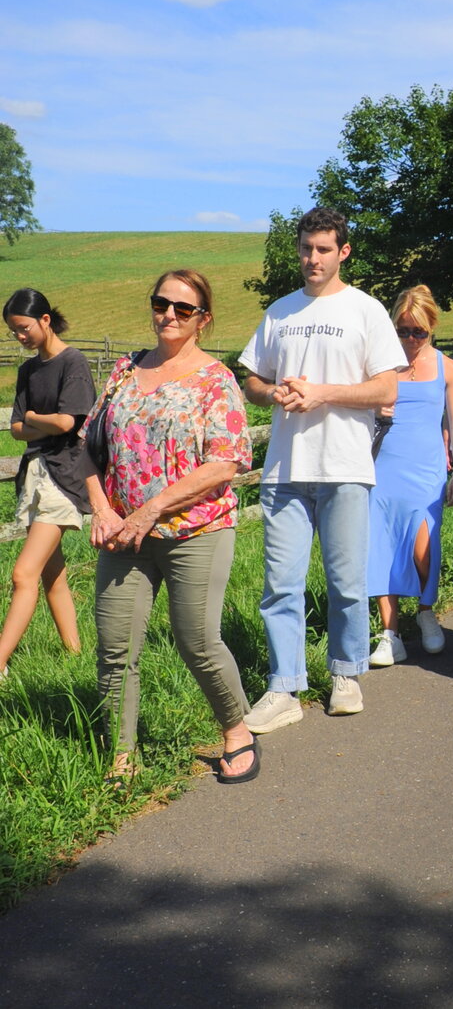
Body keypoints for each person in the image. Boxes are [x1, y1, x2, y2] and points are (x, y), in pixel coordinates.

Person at [82, 271, 257, 783]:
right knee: (114, 649)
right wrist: (102, 509)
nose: (170, 315)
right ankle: (121, 757)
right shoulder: (123, 370)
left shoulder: (215, 380)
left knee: (197, 641)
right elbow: (90, 448)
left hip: (196, 532)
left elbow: (225, 463)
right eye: (162, 303)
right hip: (124, 535)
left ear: (204, 319)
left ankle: (236, 731)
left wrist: (151, 508)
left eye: (185, 308)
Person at [240, 207, 406, 730]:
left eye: (323, 249)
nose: (312, 258)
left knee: (347, 582)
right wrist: (275, 391)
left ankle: (346, 673)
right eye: (306, 248)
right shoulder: (280, 311)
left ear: (343, 252)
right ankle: (283, 687)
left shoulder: (367, 310)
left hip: (344, 466)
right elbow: (251, 381)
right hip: (285, 470)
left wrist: (323, 394)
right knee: (280, 586)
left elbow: (386, 389)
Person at [367, 285, 453, 666]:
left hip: (426, 471)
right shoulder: (379, 369)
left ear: (432, 329)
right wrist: (377, 412)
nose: (410, 339)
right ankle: (389, 633)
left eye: (418, 332)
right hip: (383, 469)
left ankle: (426, 610)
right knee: (383, 546)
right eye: (402, 330)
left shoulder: (447, 368)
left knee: (422, 548)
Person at [1, 290, 95, 678]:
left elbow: (69, 423)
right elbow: (16, 429)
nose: (19, 337)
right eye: (13, 332)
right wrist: (45, 418)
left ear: (45, 320)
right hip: (36, 475)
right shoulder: (28, 371)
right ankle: (75, 656)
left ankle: (0, 660)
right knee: (50, 574)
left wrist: (38, 419)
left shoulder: (73, 362)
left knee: (22, 574)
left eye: (23, 328)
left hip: (65, 475)